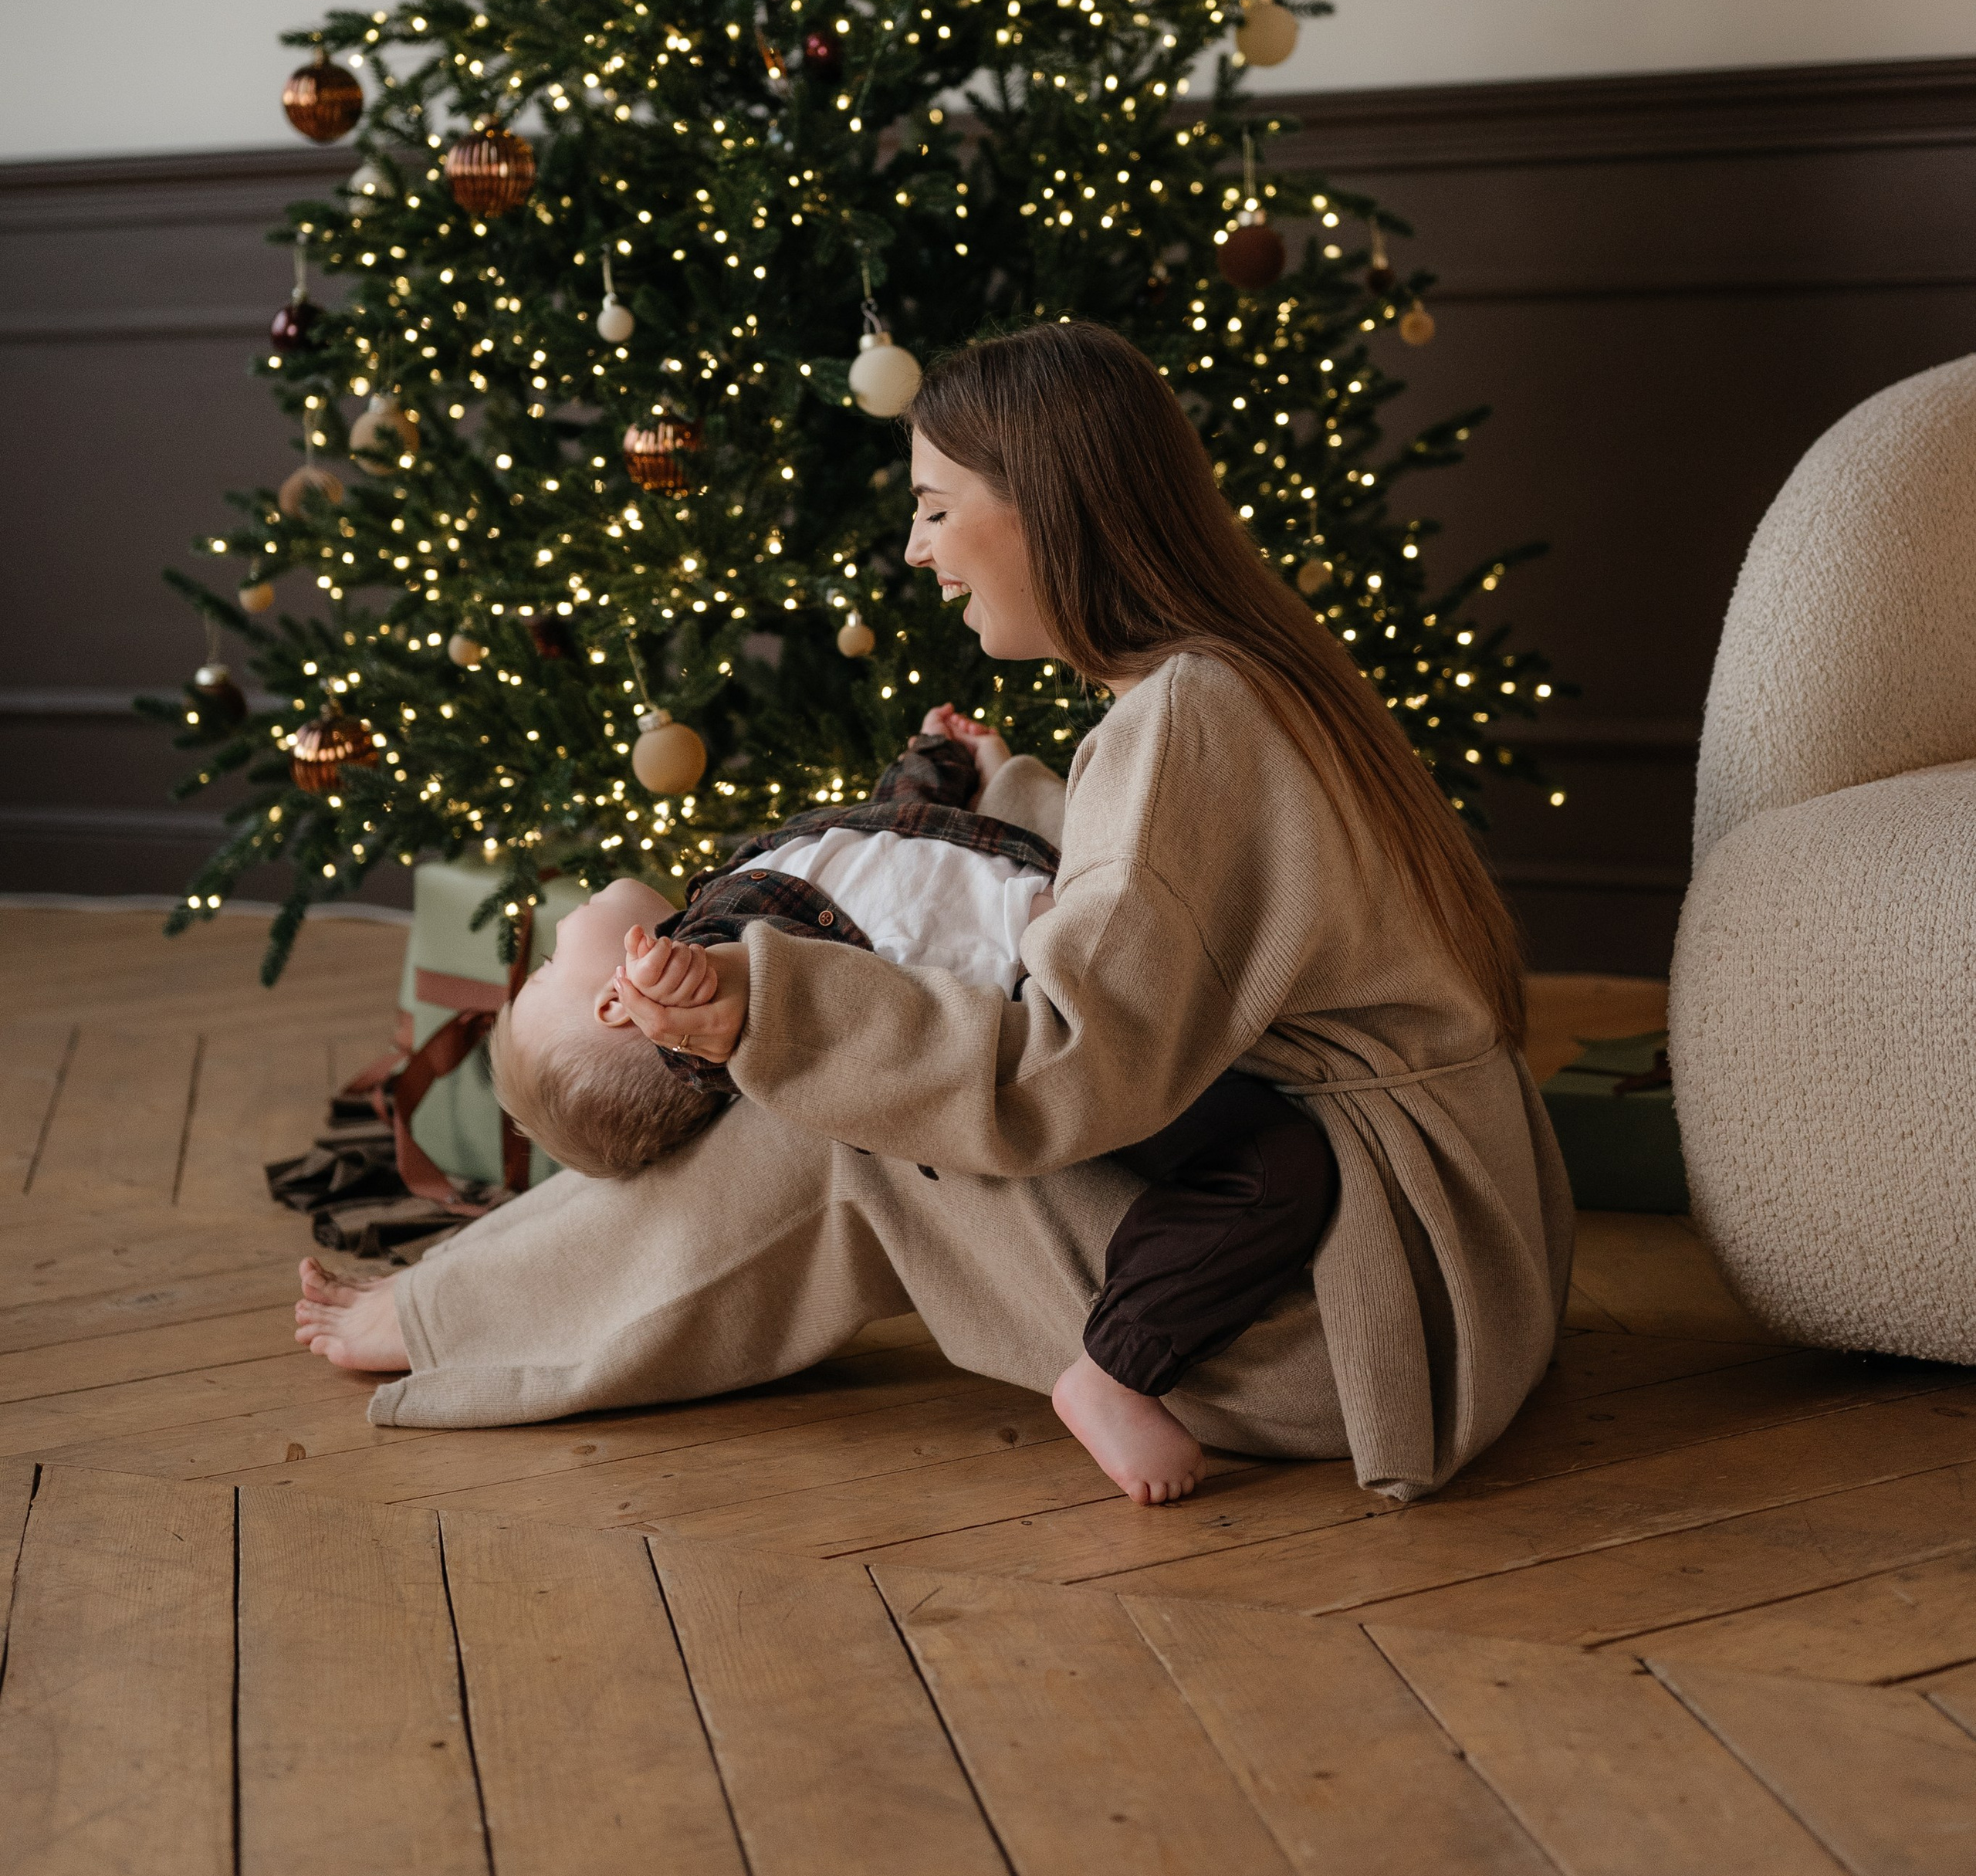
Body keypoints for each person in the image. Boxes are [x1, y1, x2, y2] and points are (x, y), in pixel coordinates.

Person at [298, 320, 1572, 1510]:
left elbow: (1063, 1074)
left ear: (1048, 512)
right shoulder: (1235, 676)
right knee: (843, 1057)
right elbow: (1192, 912)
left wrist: (769, 1005)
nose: (917, 549)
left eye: (935, 506)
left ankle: (449, 1315)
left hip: (1350, 1321)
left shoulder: (1183, 718)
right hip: (1458, 1251)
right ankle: (463, 1292)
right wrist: (1009, 791)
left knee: (830, 1108)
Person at [475, 707, 1340, 1502]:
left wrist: (947, 758)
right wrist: (684, 1003)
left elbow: (893, 837)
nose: (550, 938)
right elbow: (736, 1029)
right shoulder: (718, 961)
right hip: (1077, 1035)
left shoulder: (745, 875)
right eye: (548, 973)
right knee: (1275, 1166)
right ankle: (1114, 1371)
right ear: (616, 1005)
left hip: (1104, 935)